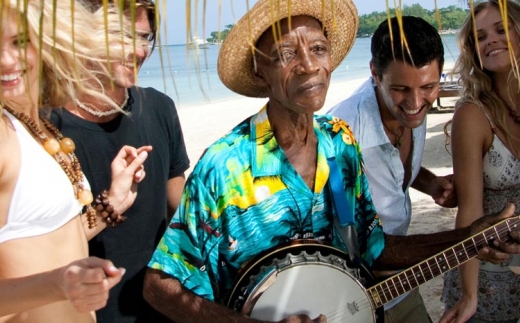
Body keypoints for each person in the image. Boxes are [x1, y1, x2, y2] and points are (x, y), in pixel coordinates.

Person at [142, 0, 520, 322]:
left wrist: (466, 238)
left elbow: (370, 249)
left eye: (318, 49)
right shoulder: (226, 165)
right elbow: (160, 287)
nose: (309, 66)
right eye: (287, 55)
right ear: (261, 71)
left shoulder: (339, 141)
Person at [0, 1, 150, 323]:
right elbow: (57, 274)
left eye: (20, 41)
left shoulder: (34, 124)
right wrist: (59, 284)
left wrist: (112, 202)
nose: (6, 59)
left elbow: (50, 237)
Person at [50, 1, 189, 322]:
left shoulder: (159, 107)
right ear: (83, 33)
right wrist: (111, 204)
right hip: (85, 311)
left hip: (163, 308)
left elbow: (179, 212)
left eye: (145, 38)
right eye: (122, 36)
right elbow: (41, 246)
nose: (138, 51)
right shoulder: (48, 127)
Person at [328, 16, 454, 323]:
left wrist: (429, 182)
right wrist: (469, 238)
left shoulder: (412, 107)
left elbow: (391, 165)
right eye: (400, 89)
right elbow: (357, 245)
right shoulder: (341, 135)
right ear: (375, 73)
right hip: (349, 300)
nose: (415, 103)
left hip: (401, 283)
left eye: (429, 86)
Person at [440, 1, 520, 322]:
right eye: (480, 36)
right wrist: (468, 294)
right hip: (489, 278)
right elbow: (470, 210)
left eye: (502, 30)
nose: (491, 41)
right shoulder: (473, 115)